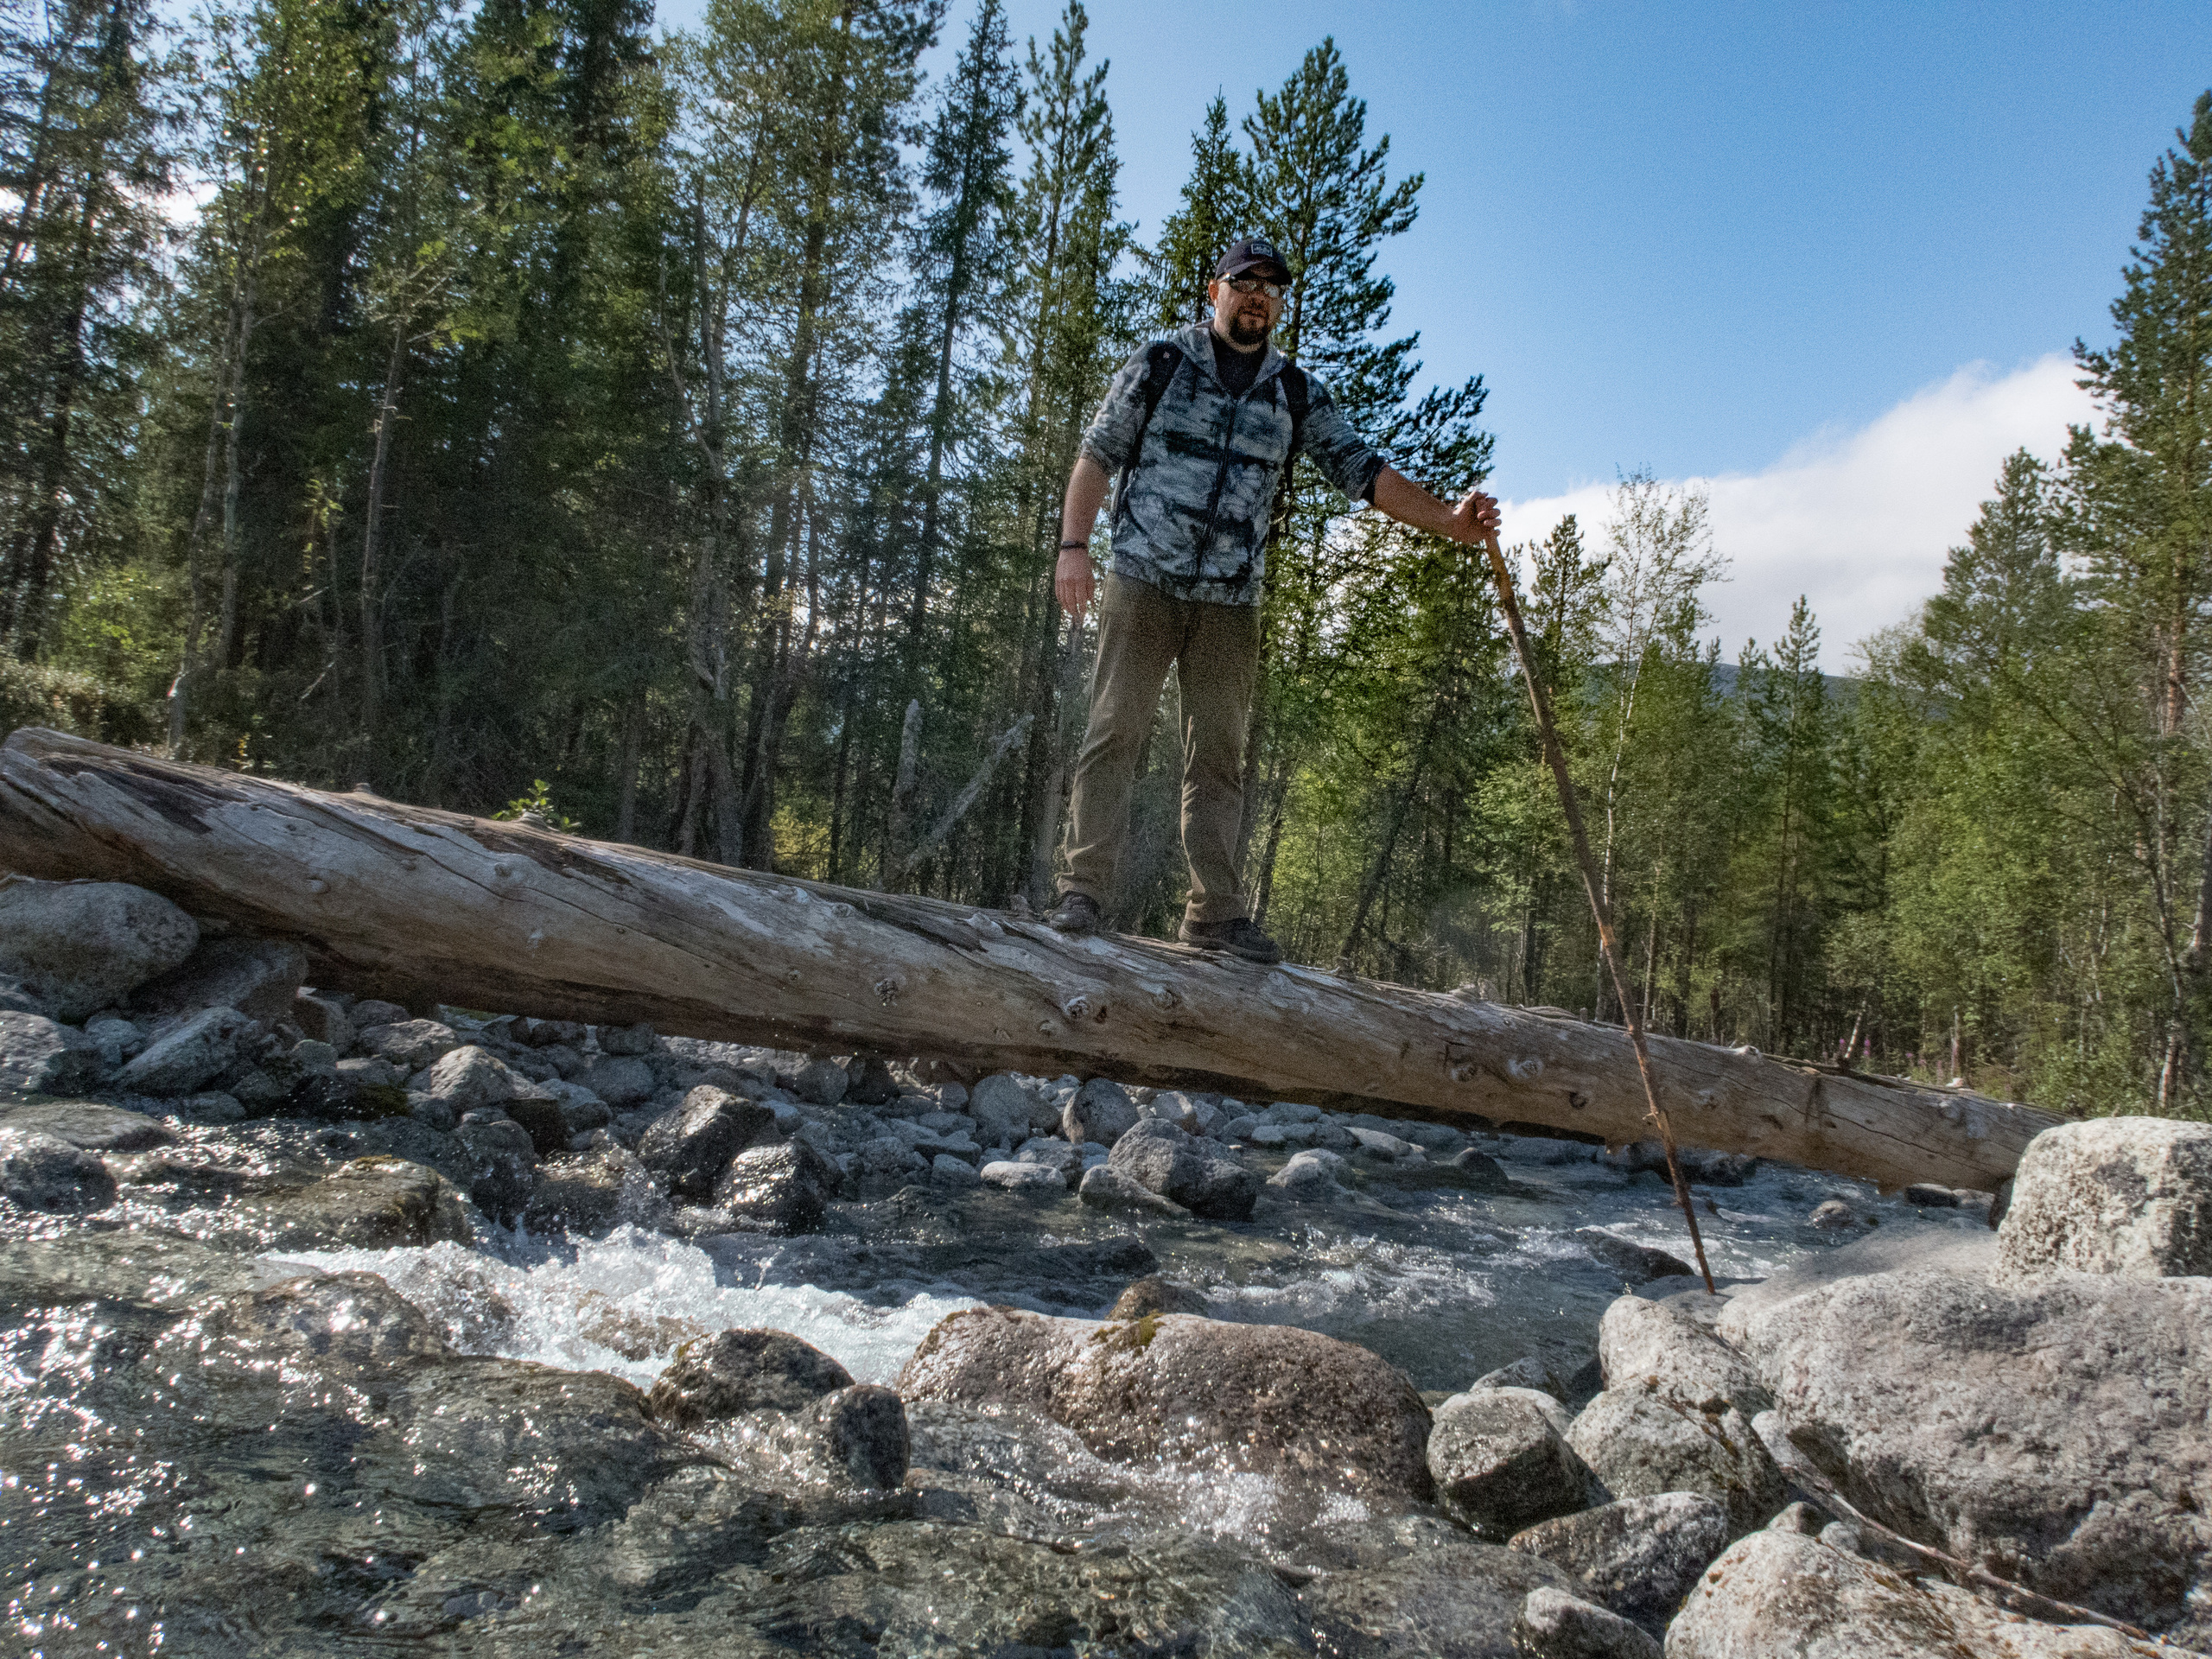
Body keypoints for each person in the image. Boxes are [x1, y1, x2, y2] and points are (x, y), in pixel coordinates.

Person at [1046, 234, 1503, 963]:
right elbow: (1097, 454)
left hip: (1230, 601)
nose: (1258, 294)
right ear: (1214, 291)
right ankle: (1082, 892)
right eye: (1244, 281)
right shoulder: (1162, 364)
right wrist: (1074, 550)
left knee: (1219, 759)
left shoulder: (1294, 393)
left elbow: (1362, 470)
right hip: (1143, 579)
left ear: (1279, 304)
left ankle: (1215, 916)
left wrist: (1449, 522)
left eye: (1272, 286)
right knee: (1115, 731)